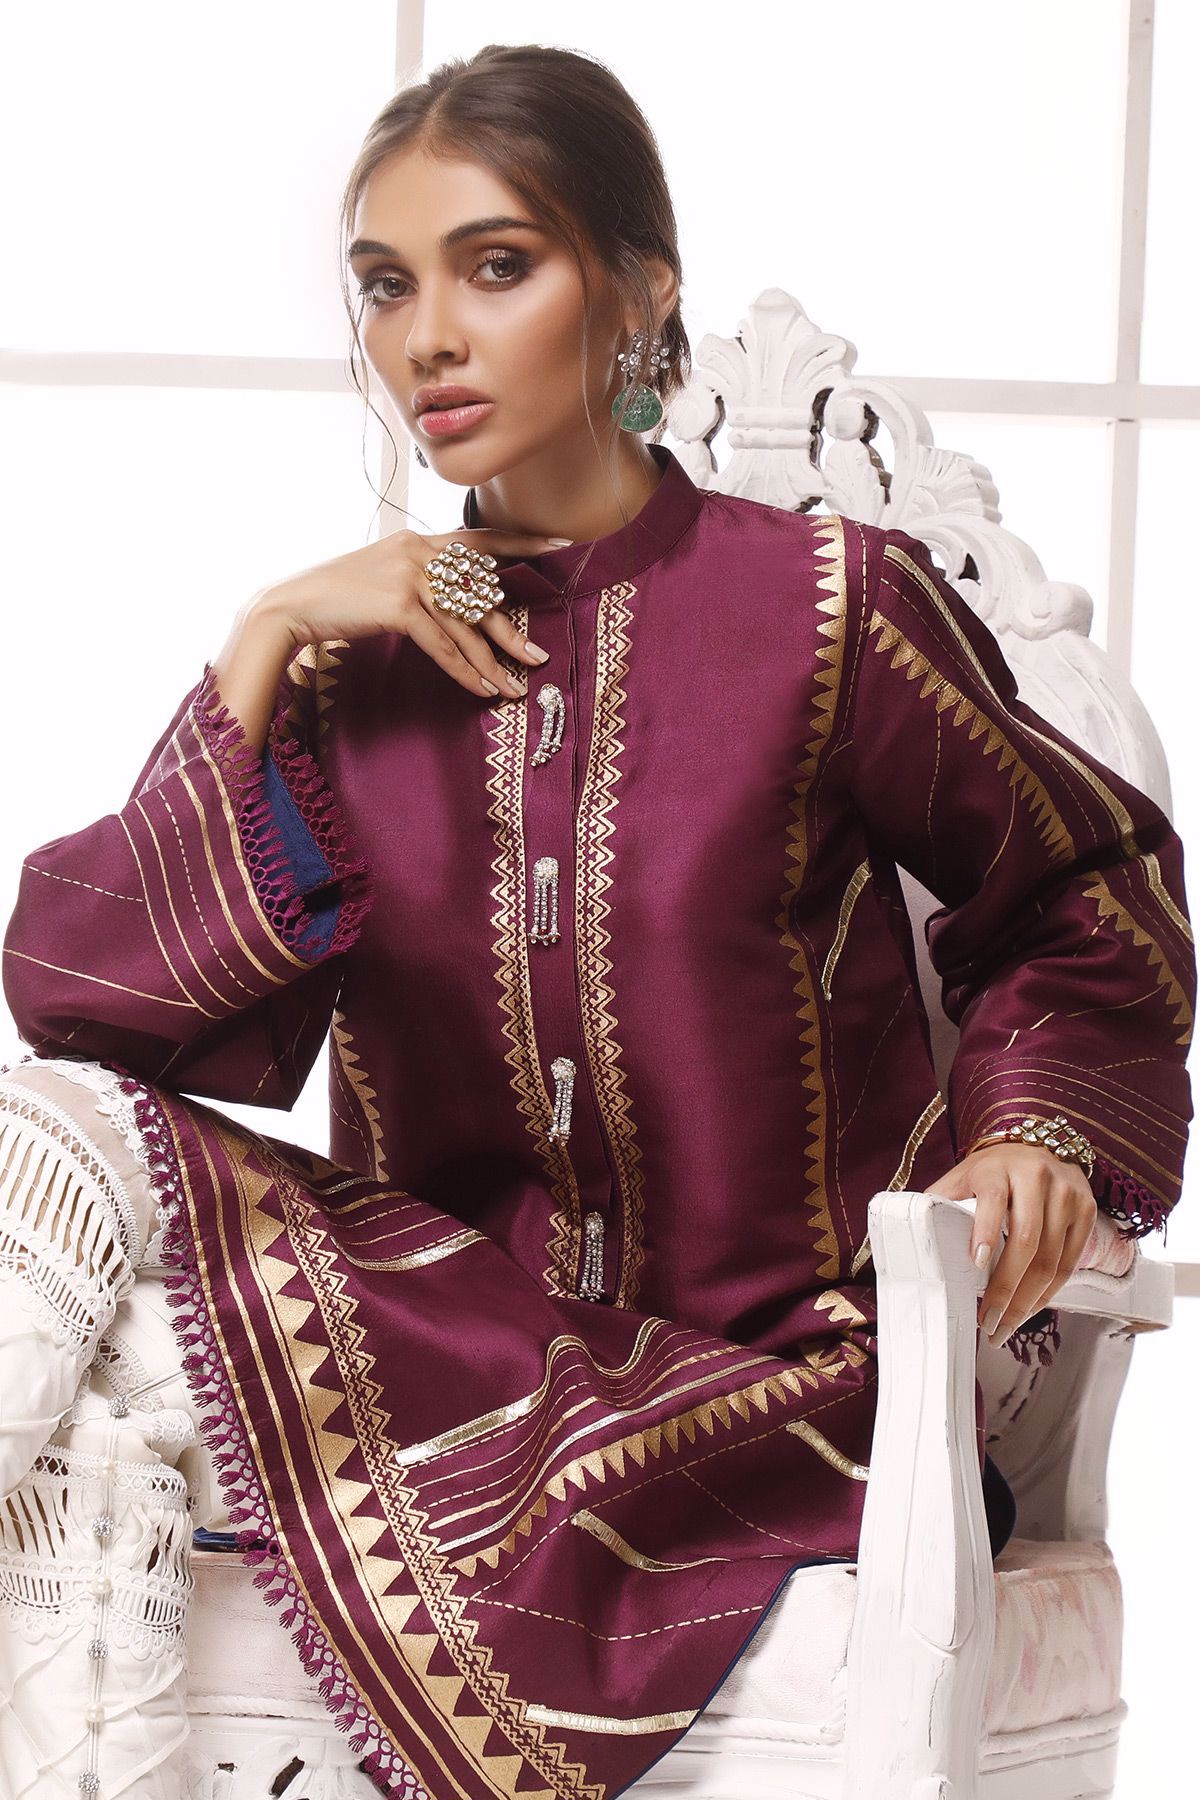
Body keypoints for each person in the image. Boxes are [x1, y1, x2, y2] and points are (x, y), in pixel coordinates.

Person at [0, 40, 1192, 1800]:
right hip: (429, 1364)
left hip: (780, 1393)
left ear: (637, 291)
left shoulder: (828, 610)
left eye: (495, 267)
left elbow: (1082, 894)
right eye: (386, 285)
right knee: (48, 1153)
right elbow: (94, 1019)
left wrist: (1036, 1131)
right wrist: (262, 645)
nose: (428, 337)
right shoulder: (348, 669)